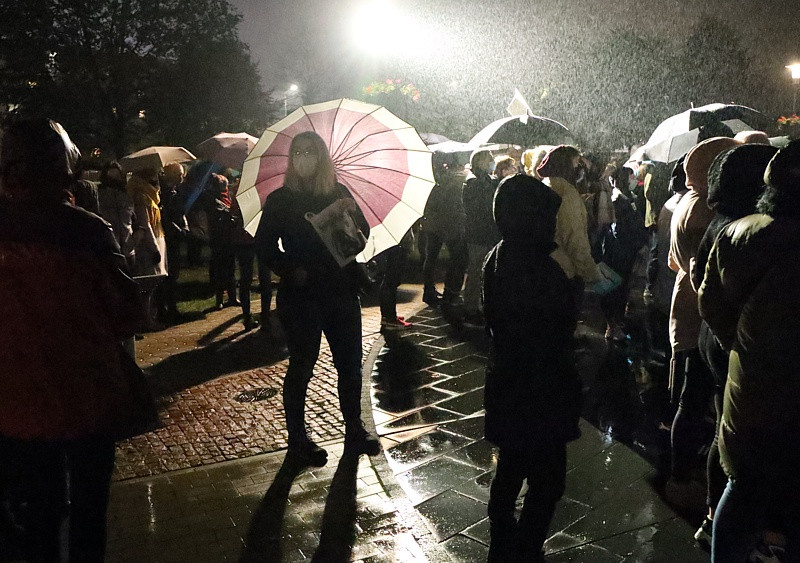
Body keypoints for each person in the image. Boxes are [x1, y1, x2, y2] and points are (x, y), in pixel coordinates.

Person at [0, 118, 145, 562]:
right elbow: (126, 314)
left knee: (37, 523)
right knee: (88, 517)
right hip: (88, 398)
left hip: (18, 407)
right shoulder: (88, 231)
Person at [699, 140, 800, 562]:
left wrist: (742, 345)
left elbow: (710, 302)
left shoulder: (738, 231)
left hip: (750, 383)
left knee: (743, 483)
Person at [254, 131, 380, 467]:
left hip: (341, 290)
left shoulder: (339, 193)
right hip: (302, 295)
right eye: (297, 153)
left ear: (321, 157)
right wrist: (290, 269)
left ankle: (354, 429)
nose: (303, 159)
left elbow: (362, 237)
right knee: (302, 366)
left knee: (350, 365)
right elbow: (264, 246)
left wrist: (350, 217)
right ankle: (298, 439)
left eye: (310, 152)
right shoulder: (281, 199)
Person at [483, 173, 581, 562]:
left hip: (507, 382)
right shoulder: (541, 267)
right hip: (542, 390)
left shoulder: (499, 255)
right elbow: (557, 327)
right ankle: (526, 545)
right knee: (548, 478)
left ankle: (501, 532)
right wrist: (574, 289)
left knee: (511, 465)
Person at [689, 143, 777, 546]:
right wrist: (740, 343)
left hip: (721, 342)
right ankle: (727, 526)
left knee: (726, 435)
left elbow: (704, 289)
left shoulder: (722, 222)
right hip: (738, 349)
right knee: (738, 450)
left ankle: (713, 519)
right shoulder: (751, 230)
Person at [666, 136, 740, 509]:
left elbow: (672, 261)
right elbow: (708, 276)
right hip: (701, 316)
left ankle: (681, 475)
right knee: (695, 401)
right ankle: (683, 480)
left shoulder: (685, 201)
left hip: (686, 306)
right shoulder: (708, 212)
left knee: (689, 398)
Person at [536, 145, 600, 314]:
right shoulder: (567, 192)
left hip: (546, 263)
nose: (579, 168)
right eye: (576, 163)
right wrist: (590, 272)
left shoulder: (546, 184)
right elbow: (574, 238)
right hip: (565, 269)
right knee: (565, 316)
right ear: (565, 164)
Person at [598, 166, 648, 341]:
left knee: (622, 287)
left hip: (624, 251)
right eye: (630, 177)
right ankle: (613, 325)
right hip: (620, 251)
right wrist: (636, 243)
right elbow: (620, 228)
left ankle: (616, 323)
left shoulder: (626, 197)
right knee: (616, 288)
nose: (633, 180)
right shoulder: (618, 199)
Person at [420, 151, 468, 310]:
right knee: (457, 258)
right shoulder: (453, 179)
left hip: (432, 223)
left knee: (430, 258)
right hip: (449, 224)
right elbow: (454, 203)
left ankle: (429, 291)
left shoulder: (430, 178)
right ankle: (450, 292)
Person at [461, 149, 500, 322]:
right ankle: (470, 307)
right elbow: (480, 209)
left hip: (488, 233)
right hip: (479, 234)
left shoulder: (488, 180)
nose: (492, 162)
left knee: (484, 271)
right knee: (476, 270)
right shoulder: (473, 183)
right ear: (480, 162)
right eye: (489, 159)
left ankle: (481, 304)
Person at [159, 162, 188, 322]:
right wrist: (176, 228)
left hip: (176, 236)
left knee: (174, 273)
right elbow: (163, 216)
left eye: (182, 174)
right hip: (167, 237)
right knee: (167, 275)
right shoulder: (163, 192)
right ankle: (164, 308)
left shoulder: (177, 191)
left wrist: (184, 226)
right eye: (178, 174)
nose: (181, 177)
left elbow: (181, 212)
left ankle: (172, 307)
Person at [127, 167, 167, 277]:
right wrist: (154, 248)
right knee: (151, 276)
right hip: (148, 244)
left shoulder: (150, 193)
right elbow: (144, 223)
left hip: (155, 237)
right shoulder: (140, 195)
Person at [97, 160, 136, 269]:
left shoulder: (125, 195)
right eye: (111, 176)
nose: (114, 179)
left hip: (128, 249)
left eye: (117, 176)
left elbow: (132, 218)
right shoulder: (100, 194)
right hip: (110, 249)